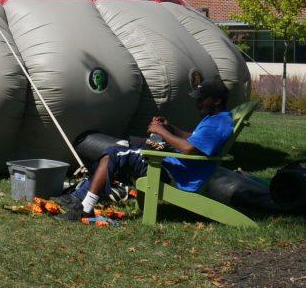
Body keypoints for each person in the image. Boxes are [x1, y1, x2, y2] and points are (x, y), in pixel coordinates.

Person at [61, 80, 233, 221]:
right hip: (177, 167)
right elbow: (194, 139)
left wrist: (162, 132)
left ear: (217, 101)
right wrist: (170, 128)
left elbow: (189, 149)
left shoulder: (218, 124)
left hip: (176, 174)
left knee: (115, 153)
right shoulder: (215, 119)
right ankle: (82, 195)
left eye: (202, 99)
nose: (198, 102)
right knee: (126, 145)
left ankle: (85, 207)